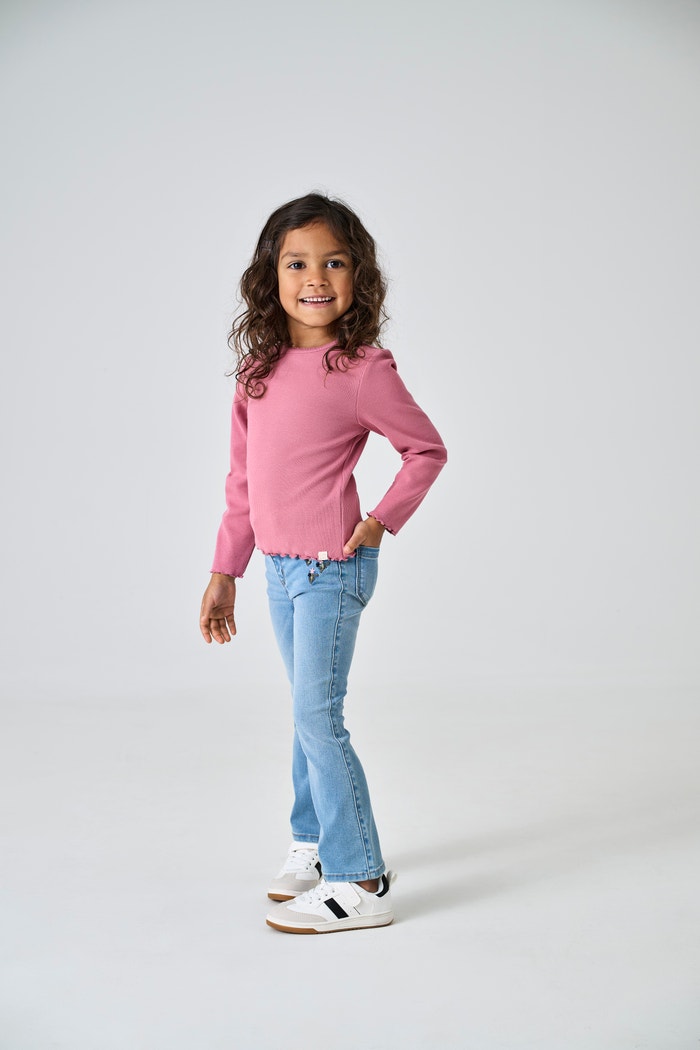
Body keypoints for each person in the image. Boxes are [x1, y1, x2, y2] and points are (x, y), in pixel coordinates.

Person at [199, 193, 447, 934]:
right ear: (269, 276)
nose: (315, 278)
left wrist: (380, 522)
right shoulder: (257, 371)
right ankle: (310, 842)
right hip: (278, 570)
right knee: (306, 714)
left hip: (330, 569)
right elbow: (243, 482)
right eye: (297, 263)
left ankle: (359, 877)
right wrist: (225, 570)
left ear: (358, 275)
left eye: (334, 262)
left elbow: (426, 450)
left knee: (318, 715)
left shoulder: (362, 369)